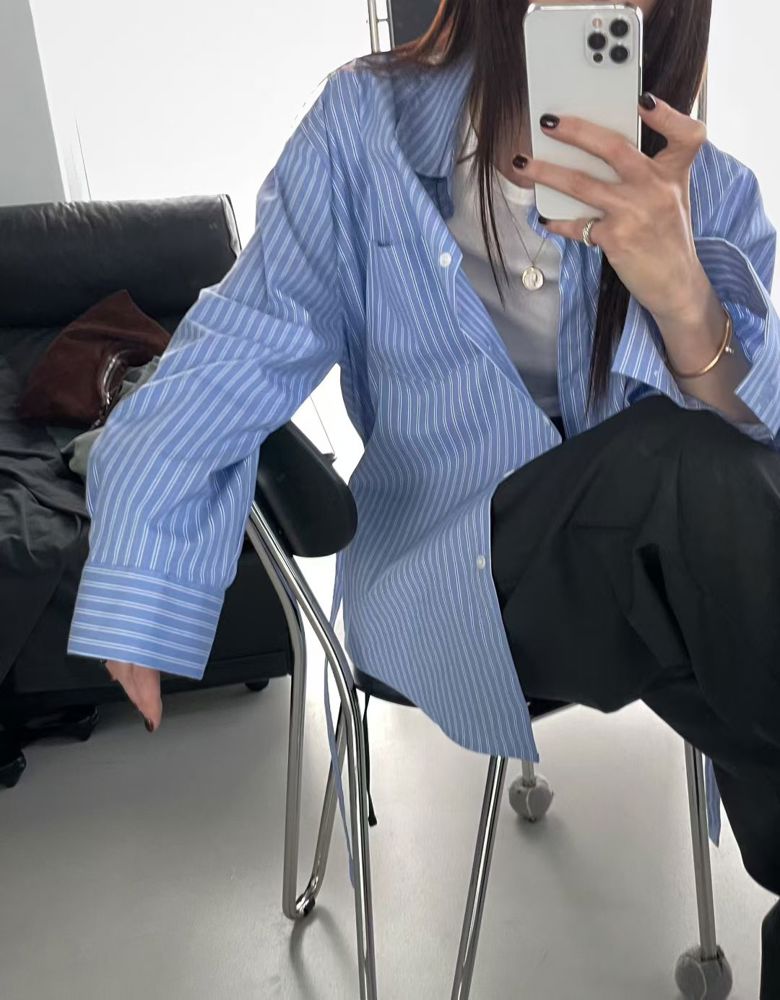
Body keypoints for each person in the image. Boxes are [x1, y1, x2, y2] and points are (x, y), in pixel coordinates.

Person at [68, 0, 780, 993]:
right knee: (683, 470)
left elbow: (761, 446)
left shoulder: (708, 187)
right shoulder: (366, 130)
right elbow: (244, 340)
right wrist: (145, 562)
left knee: (712, 482)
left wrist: (685, 297)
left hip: (665, 578)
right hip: (446, 570)